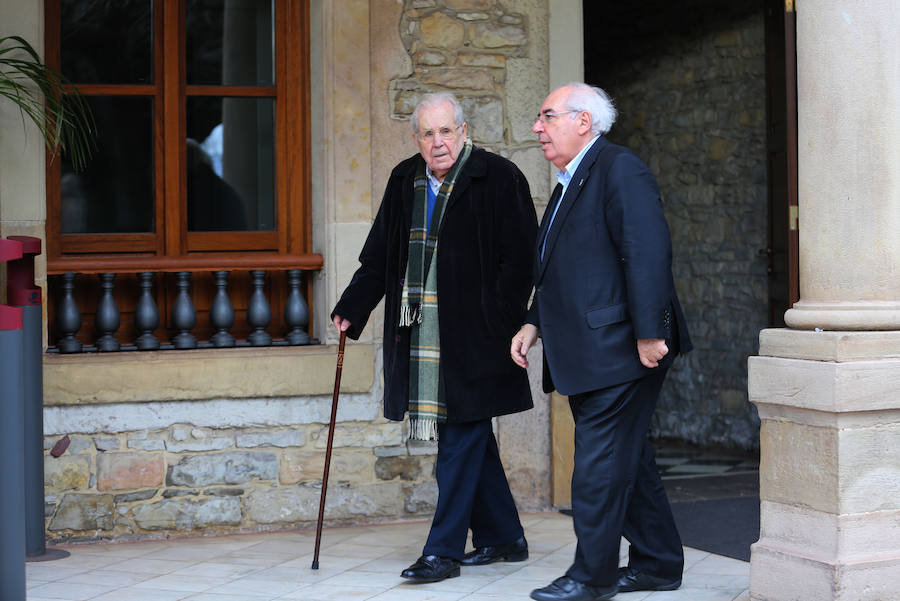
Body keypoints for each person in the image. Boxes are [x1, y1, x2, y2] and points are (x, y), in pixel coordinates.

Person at [332, 92, 538, 583]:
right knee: (467, 435)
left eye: (447, 131)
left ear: (463, 132)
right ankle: (504, 536)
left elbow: (523, 258)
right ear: (416, 139)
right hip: (421, 332)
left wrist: (502, 316)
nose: (438, 142)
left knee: (461, 437)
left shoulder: (499, 177)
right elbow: (380, 254)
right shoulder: (405, 179)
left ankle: (442, 551)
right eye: (428, 133)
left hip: (480, 336)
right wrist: (352, 307)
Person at [511, 83, 692, 601]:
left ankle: (591, 577)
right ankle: (658, 563)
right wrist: (533, 322)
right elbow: (557, 270)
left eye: (547, 117)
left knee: (595, 469)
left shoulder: (619, 169)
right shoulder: (572, 180)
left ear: (583, 121)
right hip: (589, 352)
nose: (537, 128)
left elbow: (647, 251)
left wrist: (651, 332)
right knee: (628, 461)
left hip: (621, 349)